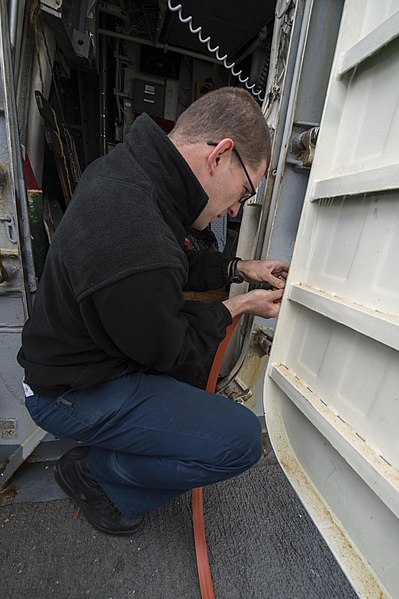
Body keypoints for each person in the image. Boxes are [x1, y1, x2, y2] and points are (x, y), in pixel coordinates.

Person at [18, 87, 289, 536]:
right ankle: (98, 476)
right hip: (66, 393)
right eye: (244, 191)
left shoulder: (128, 173)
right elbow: (173, 348)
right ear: (220, 155)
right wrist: (240, 304)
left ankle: (113, 452)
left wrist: (239, 268)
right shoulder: (137, 234)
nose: (238, 207)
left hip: (74, 363)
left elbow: (168, 266)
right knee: (239, 442)